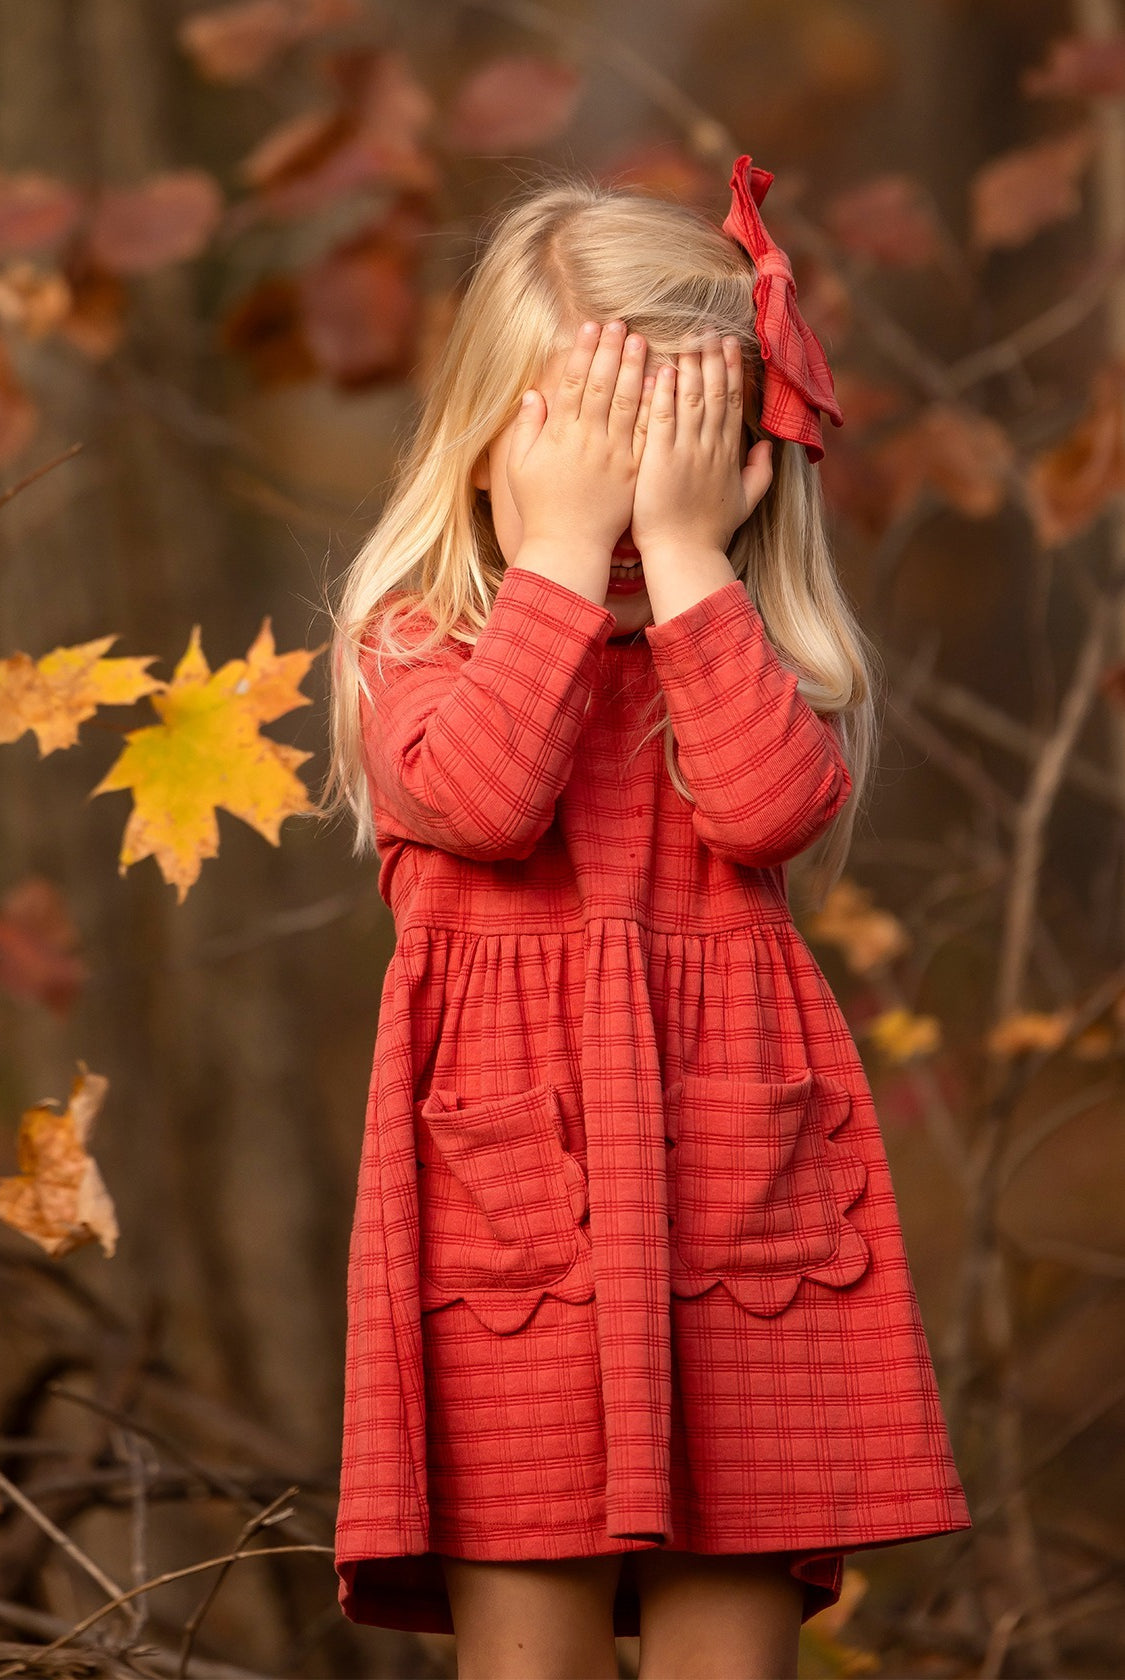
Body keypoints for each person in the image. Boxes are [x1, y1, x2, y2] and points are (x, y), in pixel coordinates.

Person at [325, 156, 972, 1680]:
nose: (613, 500)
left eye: (661, 453)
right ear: (489, 439)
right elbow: (482, 799)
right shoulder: (413, 643)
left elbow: (764, 812)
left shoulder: (742, 653)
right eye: (580, 449)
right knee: (527, 1649)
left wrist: (685, 562)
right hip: (511, 1234)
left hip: (731, 1222)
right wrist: (555, 557)